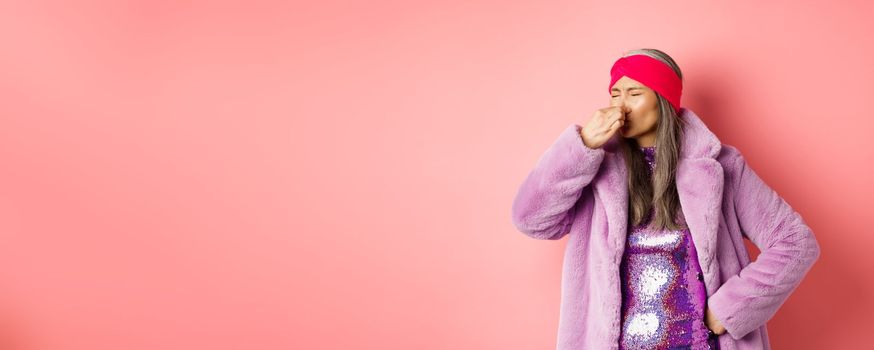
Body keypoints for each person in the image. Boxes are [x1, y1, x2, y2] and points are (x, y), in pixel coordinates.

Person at [510, 48, 820, 350]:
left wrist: (731, 308)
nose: (621, 105)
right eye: (615, 93)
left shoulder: (720, 166)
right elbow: (531, 220)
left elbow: (794, 242)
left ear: (663, 100)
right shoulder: (593, 167)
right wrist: (583, 146)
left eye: (634, 93)